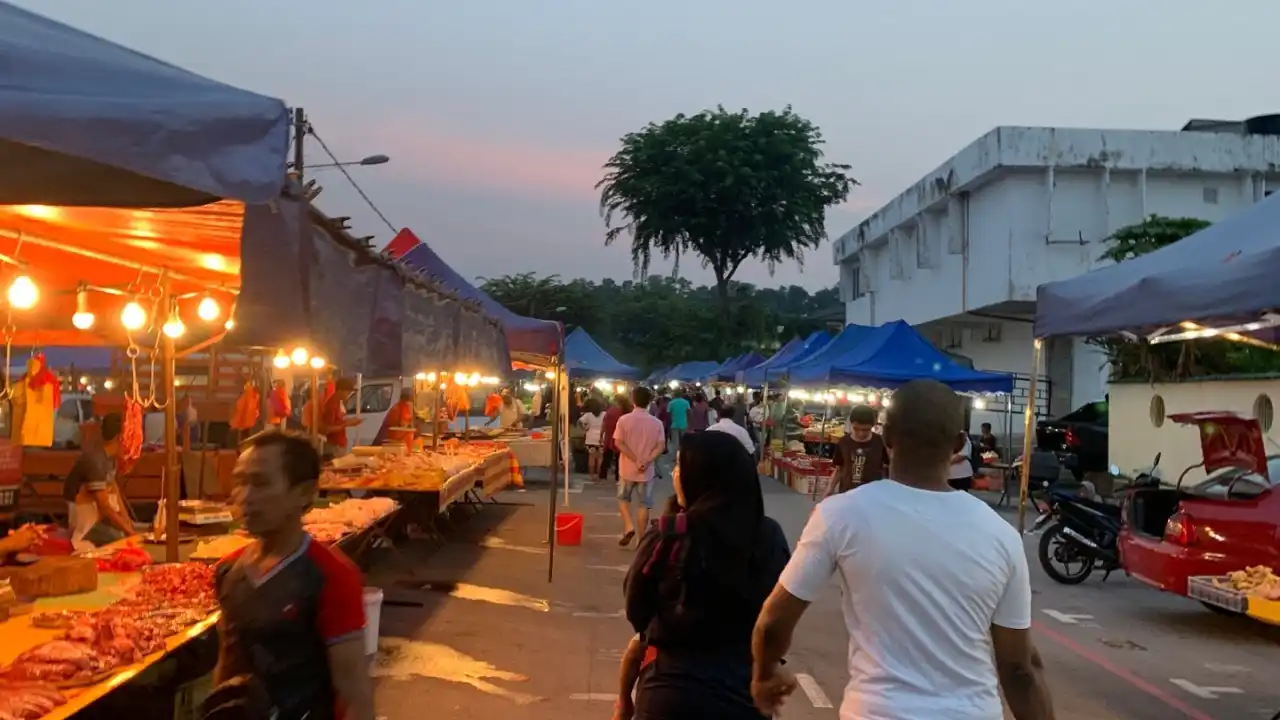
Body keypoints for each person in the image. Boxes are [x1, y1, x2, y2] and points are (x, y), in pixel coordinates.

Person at [750, 379, 1053, 720]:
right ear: (957, 443)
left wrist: (764, 675)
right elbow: (1019, 668)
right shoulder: (1002, 535)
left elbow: (773, 624)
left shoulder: (840, 515)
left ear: (888, 437)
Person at [621, 431, 790, 720]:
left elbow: (636, 609)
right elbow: (779, 615)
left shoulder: (669, 533)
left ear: (701, 477)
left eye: (679, 467)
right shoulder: (768, 536)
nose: (674, 475)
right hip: (744, 694)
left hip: (670, 691)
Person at [215, 432, 373, 720]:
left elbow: (354, 696)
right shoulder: (228, 571)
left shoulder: (331, 577)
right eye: (240, 481)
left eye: (261, 483)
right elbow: (227, 666)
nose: (245, 496)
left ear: (303, 492)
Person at [64, 412, 136, 550]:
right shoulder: (95, 461)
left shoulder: (109, 457)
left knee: (124, 535)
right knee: (119, 542)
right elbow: (104, 505)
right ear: (119, 438)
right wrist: (128, 531)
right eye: (128, 438)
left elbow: (114, 487)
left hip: (99, 517)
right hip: (84, 525)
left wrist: (126, 519)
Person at [613, 386, 664, 547]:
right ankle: (641, 542)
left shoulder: (624, 420)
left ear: (632, 400)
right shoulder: (657, 423)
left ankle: (628, 526)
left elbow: (618, 442)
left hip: (627, 469)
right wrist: (647, 460)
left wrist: (635, 459)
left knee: (623, 498)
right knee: (644, 505)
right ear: (649, 401)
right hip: (646, 472)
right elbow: (660, 446)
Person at [825, 404, 889, 497]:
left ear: (873, 425)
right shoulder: (843, 442)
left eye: (865, 430)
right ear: (851, 424)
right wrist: (829, 489)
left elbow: (889, 468)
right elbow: (839, 469)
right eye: (856, 429)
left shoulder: (881, 442)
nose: (861, 433)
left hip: (873, 495)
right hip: (847, 494)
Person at [320, 378, 362, 458]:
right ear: (339, 391)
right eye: (348, 392)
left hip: (339, 445)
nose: (349, 395)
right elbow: (327, 428)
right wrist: (347, 424)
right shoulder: (331, 405)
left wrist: (349, 422)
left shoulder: (338, 403)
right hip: (334, 446)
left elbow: (338, 422)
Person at [600, 394, 626, 482]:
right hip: (620, 437)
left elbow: (604, 424)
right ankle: (617, 476)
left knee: (606, 456)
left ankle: (602, 475)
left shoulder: (610, 411)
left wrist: (601, 435)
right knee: (619, 458)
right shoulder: (625, 411)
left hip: (609, 436)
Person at [580, 397, 605, 479]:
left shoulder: (588, 415)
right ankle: (598, 475)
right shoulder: (604, 414)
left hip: (590, 438)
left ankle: (591, 476)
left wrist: (585, 428)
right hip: (602, 438)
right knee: (600, 457)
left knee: (591, 457)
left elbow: (579, 422)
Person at [950, 427, 975, 491]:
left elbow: (962, 456)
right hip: (945, 476)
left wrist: (943, 462)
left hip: (961, 475)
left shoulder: (962, 436)